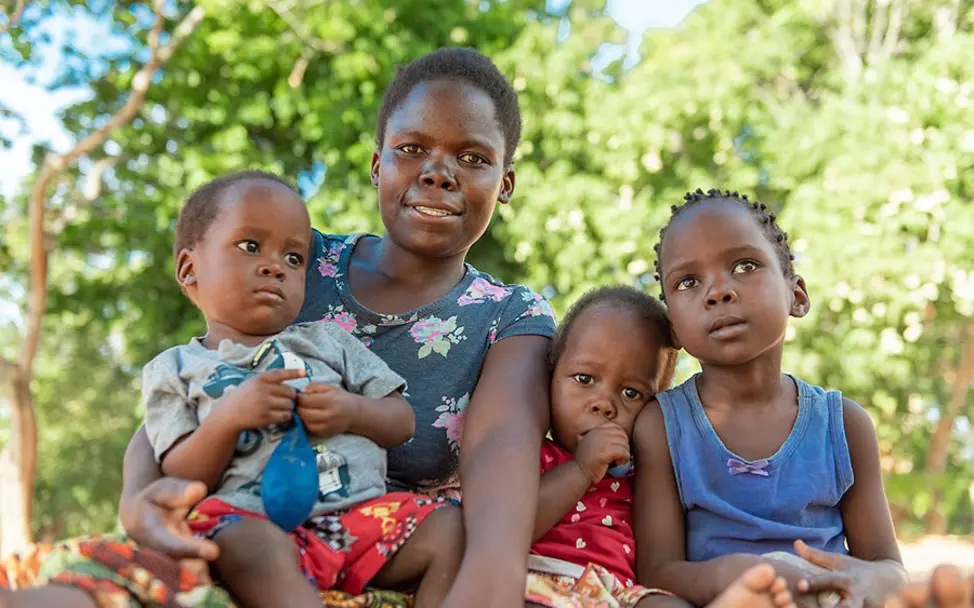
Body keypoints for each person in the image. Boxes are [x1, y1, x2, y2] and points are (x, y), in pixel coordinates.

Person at [0, 47, 557, 608]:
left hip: (385, 545)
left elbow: (500, 457)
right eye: (411, 150)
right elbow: (195, 384)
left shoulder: (509, 316)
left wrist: (491, 576)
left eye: (473, 158)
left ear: (505, 183)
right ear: (376, 165)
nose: (438, 173)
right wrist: (137, 500)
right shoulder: (293, 258)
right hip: (239, 528)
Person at [140, 170, 463, 608]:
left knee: (450, 530)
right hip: (253, 519)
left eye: (293, 258)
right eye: (250, 246)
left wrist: (352, 412)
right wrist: (228, 420)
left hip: (360, 519)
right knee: (243, 543)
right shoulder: (175, 369)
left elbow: (401, 420)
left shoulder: (329, 341)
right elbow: (180, 474)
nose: (275, 266)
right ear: (189, 268)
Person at [633, 189, 909, 608]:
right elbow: (658, 570)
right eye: (689, 281)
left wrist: (866, 581)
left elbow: (889, 568)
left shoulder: (843, 427)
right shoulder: (662, 426)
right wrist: (743, 575)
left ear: (796, 294)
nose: (718, 291)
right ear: (673, 326)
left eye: (744, 265)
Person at [523, 286, 795, 608]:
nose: (604, 404)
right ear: (551, 376)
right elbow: (508, 528)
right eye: (584, 379)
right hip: (539, 579)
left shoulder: (645, 471)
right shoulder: (533, 453)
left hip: (620, 594)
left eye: (631, 393)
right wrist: (580, 470)